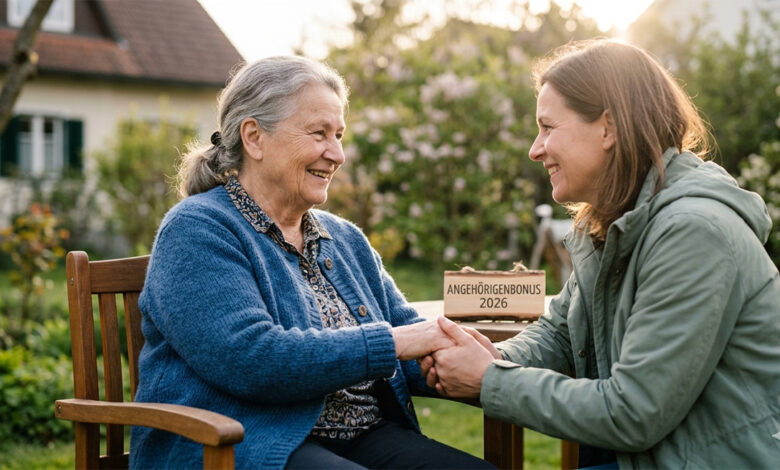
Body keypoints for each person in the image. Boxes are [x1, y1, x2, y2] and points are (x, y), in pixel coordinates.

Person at [421, 39, 780, 468]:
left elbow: (633, 412)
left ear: (608, 128)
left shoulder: (692, 232)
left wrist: (489, 380)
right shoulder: (618, 223)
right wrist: (492, 356)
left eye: (548, 128)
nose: (535, 149)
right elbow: (558, 333)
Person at [130, 56, 494, 470]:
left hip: (362, 436)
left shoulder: (343, 238)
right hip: (242, 442)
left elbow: (413, 341)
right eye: (319, 133)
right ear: (254, 137)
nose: (336, 154)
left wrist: (489, 367)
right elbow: (253, 360)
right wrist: (395, 342)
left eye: (338, 135)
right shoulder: (197, 229)